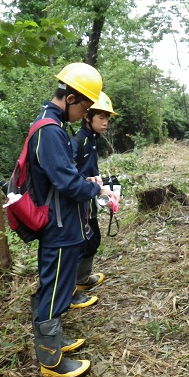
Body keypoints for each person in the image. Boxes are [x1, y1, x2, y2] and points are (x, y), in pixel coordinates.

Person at [28, 63, 120, 377]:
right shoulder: (49, 131)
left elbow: (64, 178)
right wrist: (96, 188)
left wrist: (89, 182)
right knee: (54, 290)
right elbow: (68, 184)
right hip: (58, 224)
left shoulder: (51, 125)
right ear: (69, 98)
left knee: (57, 285)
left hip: (62, 221)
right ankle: (51, 362)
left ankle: (53, 343)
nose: (84, 115)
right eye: (84, 107)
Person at [71, 91, 118, 308]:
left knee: (93, 239)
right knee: (79, 244)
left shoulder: (92, 140)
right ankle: (72, 290)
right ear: (87, 117)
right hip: (77, 204)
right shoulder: (78, 141)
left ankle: (82, 279)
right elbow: (67, 175)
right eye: (101, 117)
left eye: (107, 118)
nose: (105, 122)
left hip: (89, 199)